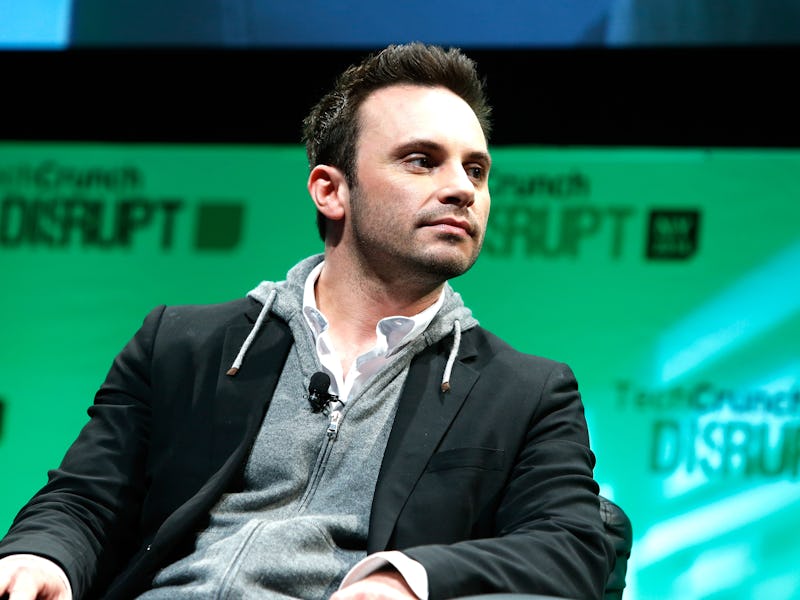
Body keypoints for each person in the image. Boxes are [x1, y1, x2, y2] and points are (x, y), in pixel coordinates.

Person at [0, 42, 613, 600]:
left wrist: (407, 579)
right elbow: (84, 498)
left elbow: (572, 548)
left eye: (475, 170)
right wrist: (38, 559)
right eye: (421, 161)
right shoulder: (182, 344)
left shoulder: (525, 392)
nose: (462, 189)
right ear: (330, 191)